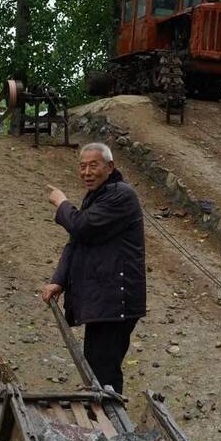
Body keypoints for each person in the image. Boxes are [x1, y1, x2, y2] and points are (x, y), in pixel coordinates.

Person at [42, 142, 146, 394]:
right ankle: (100, 409)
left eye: (93, 165)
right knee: (96, 365)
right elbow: (77, 242)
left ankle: (111, 424)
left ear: (110, 167)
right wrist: (60, 280)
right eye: (82, 166)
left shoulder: (121, 195)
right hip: (103, 299)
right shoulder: (98, 196)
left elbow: (81, 226)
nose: (87, 172)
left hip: (117, 300)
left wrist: (62, 203)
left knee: (104, 370)